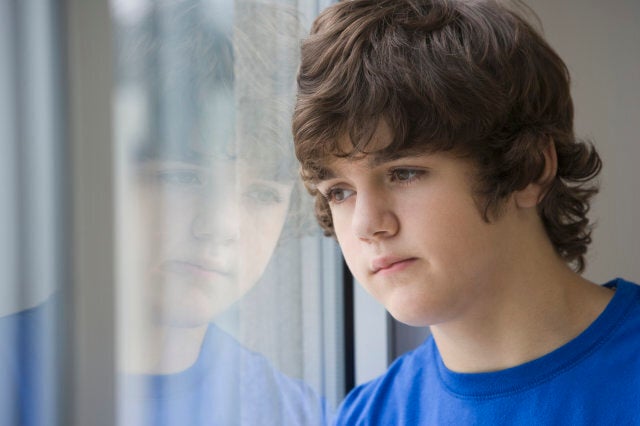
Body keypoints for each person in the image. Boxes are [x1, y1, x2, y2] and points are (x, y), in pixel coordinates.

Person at [292, 0, 640, 424]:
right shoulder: (367, 415)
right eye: (339, 192)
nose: (366, 225)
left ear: (528, 170)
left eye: (403, 173)